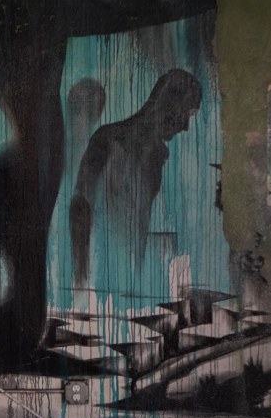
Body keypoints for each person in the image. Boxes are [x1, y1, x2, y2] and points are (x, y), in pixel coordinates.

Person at [69, 69, 202, 293]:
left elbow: (134, 224)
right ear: (171, 107)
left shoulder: (154, 157)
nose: (186, 127)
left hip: (127, 283)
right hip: (100, 282)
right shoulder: (107, 140)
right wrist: (81, 278)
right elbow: (79, 206)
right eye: (187, 115)